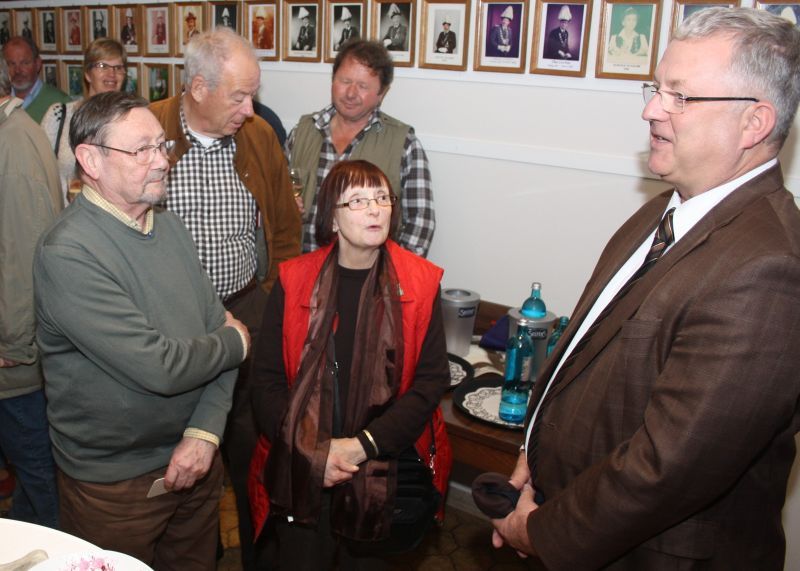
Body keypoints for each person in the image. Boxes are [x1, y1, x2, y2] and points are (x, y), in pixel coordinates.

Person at [491, 7, 800, 569]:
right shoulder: (662, 210)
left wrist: (542, 532)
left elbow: (667, 467)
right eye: (656, 89)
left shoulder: (771, 268)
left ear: (754, 123)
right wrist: (536, 453)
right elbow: (589, 359)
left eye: (681, 96)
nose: (651, 110)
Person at [34, 91, 250, 569]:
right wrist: (235, 342)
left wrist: (205, 433)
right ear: (90, 159)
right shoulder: (69, 253)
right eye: (141, 150)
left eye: (162, 145)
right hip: (116, 488)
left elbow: (218, 330)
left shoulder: (169, 227)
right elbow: (164, 366)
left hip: (197, 462)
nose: (161, 161)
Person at [249, 159, 452, 568]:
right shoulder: (294, 280)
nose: (375, 209)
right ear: (333, 219)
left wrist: (363, 446)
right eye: (357, 201)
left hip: (383, 469)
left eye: (381, 197)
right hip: (304, 464)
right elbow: (266, 382)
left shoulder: (420, 281)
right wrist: (312, 453)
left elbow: (430, 383)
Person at [149, 27, 301, 571]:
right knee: (181, 451)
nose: (249, 107)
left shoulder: (259, 136)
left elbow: (285, 230)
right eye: (237, 95)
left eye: (253, 93)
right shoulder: (149, 132)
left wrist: (276, 306)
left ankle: (258, 555)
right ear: (196, 88)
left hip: (248, 309)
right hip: (170, 325)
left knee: (250, 444)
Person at [286, 39, 435, 257]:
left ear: (382, 94)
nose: (350, 93)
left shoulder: (404, 145)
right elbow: (276, 197)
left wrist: (390, 277)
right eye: (345, 81)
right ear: (333, 80)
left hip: (368, 281)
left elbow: (420, 223)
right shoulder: (301, 133)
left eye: (363, 86)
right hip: (302, 273)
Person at [0, 57, 62, 530]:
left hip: (14, 359)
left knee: (38, 471)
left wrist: (13, 344)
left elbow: (23, 257)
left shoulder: (13, 144)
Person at [41, 38, 127, 203]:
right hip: (67, 221)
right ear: (87, 74)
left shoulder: (129, 121)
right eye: (102, 66)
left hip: (113, 223)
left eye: (118, 67)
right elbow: (39, 173)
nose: (112, 74)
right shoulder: (59, 116)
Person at [2, 36, 69, 123]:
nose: (17, 70)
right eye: (11, 64)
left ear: (37, 64)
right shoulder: (2, 102)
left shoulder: (60, 103)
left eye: (25, 63)